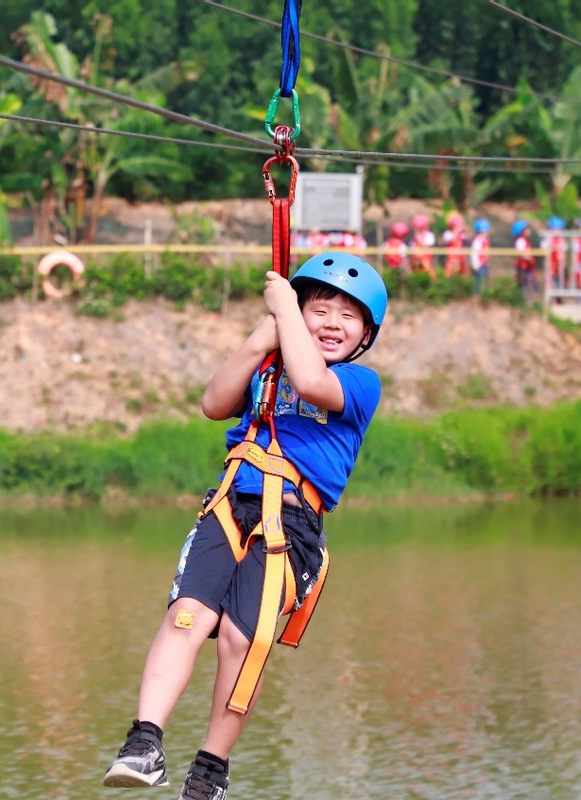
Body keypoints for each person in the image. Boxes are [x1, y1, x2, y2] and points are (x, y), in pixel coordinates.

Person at [102, 251, 387, 800]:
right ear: (294, 319)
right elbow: (213, 404)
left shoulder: (359, 383)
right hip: (231, 504)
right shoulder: (269, 364)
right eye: (319, 310)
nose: (332, 323)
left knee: (239, 637)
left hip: (293, 525)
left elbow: (309, 381)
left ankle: (211, 769)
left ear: (365, 337)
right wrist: (261, 339)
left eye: (348, 317)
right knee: (187, 616)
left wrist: (286, 306)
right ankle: (145, 742)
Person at [512, 220, 537, 296]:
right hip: (523, 267)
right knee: (524, 285)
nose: (528, 230)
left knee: (528, 284)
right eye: (526, 229)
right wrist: (529, 258)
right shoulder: (520, 240)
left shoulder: (525, 240)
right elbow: (522, 254)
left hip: (527, 266)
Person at [442, 212, 467, 278]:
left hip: (461, 258)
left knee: (462, 276)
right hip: (452, 259)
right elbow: (451, 240)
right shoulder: (447, 234)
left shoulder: (462, 235)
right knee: (451, 276)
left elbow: (466, 241)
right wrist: (456, 230)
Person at [469, 218, 491, 292]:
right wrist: (475, 265)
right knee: (478, 283)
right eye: (486, 230)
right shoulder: (477, 241)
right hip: (479, 266)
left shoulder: (484, 240)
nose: (488, 232)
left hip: (483, 264)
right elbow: (474, 254)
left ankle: (485, 294)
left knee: (485, 282)